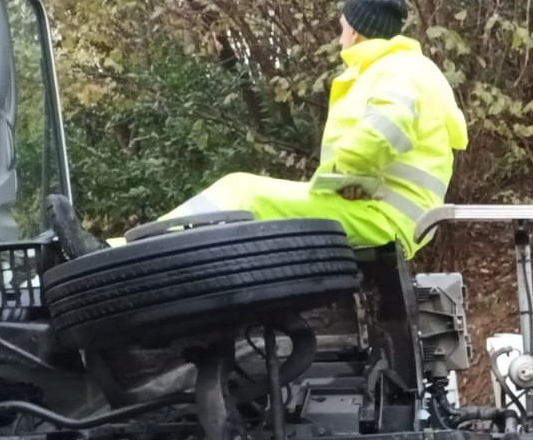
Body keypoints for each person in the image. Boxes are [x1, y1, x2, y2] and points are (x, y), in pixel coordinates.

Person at [162, 0, 468, 256]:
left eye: (342, 28)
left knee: (241, 193)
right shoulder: (411, 67)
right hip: (391, 215)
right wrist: (354, 180)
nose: (339, 39)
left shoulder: (394, 69)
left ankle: (136, 250)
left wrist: (343, 175)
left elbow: (386, 128)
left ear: (357, 30)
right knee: (242, 192)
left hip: (382, 217)